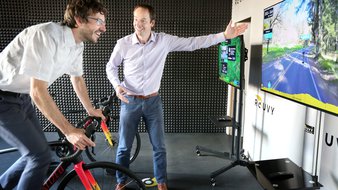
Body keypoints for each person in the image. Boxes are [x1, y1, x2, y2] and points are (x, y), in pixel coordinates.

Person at [106, 4, 248, 190]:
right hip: (129, 101)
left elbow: (193, 43)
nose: (138, 24)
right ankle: (121, 181)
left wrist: (224, 36)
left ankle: (162, 182)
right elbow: (111, 67)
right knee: (124, 147)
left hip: (153, 102)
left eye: (142, 20)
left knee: (160, 147)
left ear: (152, 22)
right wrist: (117, 86)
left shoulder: (163, 41)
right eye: (135, 19)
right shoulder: (123, 43)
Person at [0, 0, 107, 189]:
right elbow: (37, 91)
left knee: (38, 153)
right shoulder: (45, 35)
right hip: (3, 98)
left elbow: (77, 79)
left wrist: (90, 109)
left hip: (21, 98)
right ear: (79, 19)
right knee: (39, 156)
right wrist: (69, 131)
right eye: (98, 21)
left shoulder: (77, 45)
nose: (103, 28)